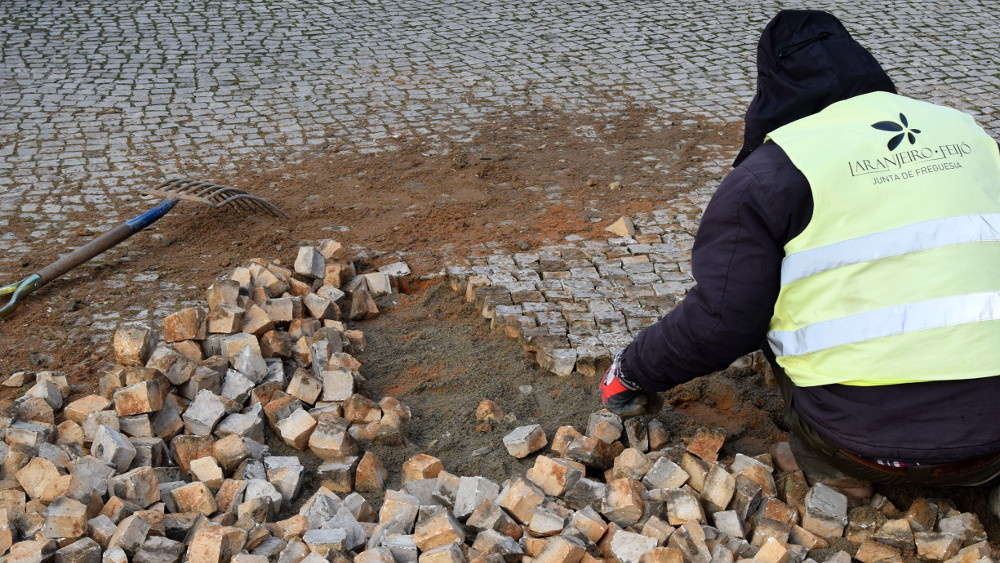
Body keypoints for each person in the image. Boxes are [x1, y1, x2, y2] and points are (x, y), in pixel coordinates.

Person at [601, 9, 1000, 489]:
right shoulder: (971, 136)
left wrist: (632, 369)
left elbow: (723, 322)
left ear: (773, 88)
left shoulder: (772, 173)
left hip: (870, 447)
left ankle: (839, 480)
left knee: (764, 298)